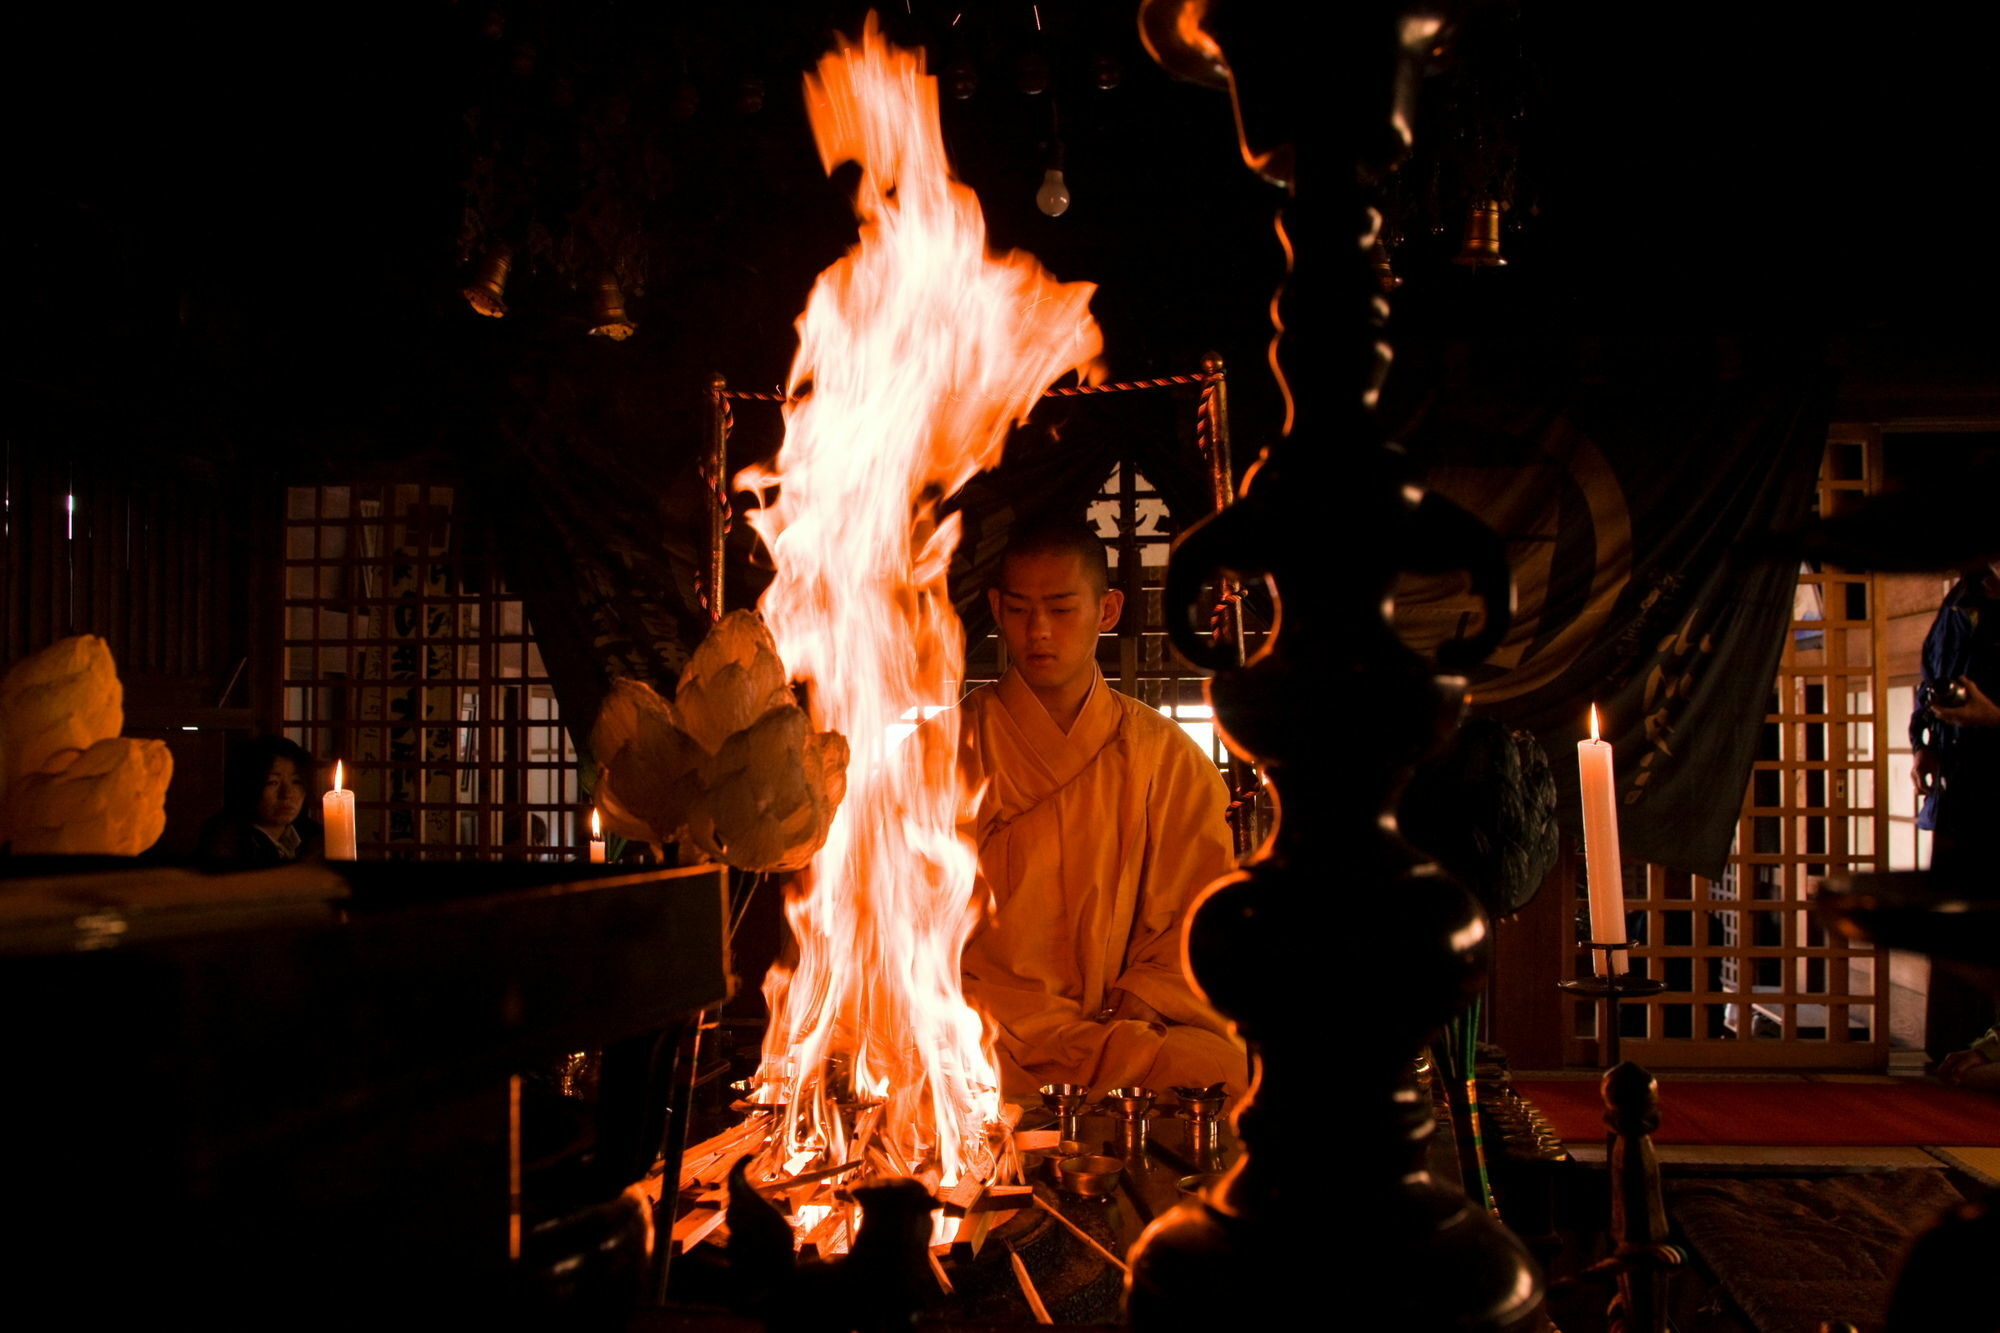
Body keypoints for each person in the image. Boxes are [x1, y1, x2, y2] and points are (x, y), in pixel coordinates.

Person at [954, 519, 1245, 1097]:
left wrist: (1148, 996)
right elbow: (897, 912)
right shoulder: (945, 750)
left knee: (1224, 1070)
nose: (1038, 631)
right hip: (977, 1030)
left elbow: (1199, 914)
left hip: (1117, 1029)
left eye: (1061, 609)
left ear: (1107, 610)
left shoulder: (1166, 759)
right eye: (1018, 610)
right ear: (995, 608)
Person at [1910, 559, 2000, 1083]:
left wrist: (1994, 718)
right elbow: (1933, 674)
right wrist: (1923, 744)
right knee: (1953, 913)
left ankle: (1990, 1048)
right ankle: (1955, 1045)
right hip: (1961, 777)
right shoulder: (1962, 594)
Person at [194, 735, 325, 868]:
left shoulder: (314, 836)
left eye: (296, 782)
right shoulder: (225, 842)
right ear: (247, 785)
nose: (287, 794)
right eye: (272, 782)